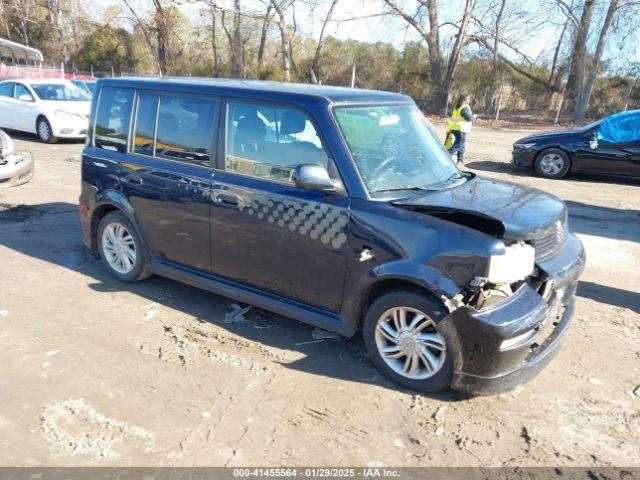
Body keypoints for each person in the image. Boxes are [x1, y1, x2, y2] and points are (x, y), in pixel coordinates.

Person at [446, 94, 475, 165]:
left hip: (455, 128)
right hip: (461, 129)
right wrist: (474, 116)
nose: (469, 100)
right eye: (468, 99)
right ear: (464, 100)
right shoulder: (464, 108)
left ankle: (460, 160)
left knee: (461, 145)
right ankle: (445, 157)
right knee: (458, 145)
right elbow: (469, 118)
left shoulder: (457, 107)